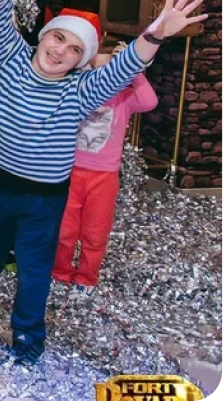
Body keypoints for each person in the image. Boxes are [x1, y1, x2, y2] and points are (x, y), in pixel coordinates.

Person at [0, 0, 206, 365]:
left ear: (80, 61)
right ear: (43, 35)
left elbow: (123, 68)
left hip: (43, 196)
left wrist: (155, 34)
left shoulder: (79, 90)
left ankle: (28, 339)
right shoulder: (11, 57)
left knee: (33, 267)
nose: (60, 50)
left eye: (73, 49)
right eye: (58, 37)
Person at [52, 39, 157, 295]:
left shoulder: (124, 99)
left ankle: (86, 277)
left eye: (108, 71)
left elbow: (150, 102)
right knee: (64, 229)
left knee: (95, 232)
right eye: (95, 70)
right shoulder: (77, 92)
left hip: (104, 177)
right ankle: (60, 272)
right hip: (70, 171)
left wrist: (133, 69)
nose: (102, 78)